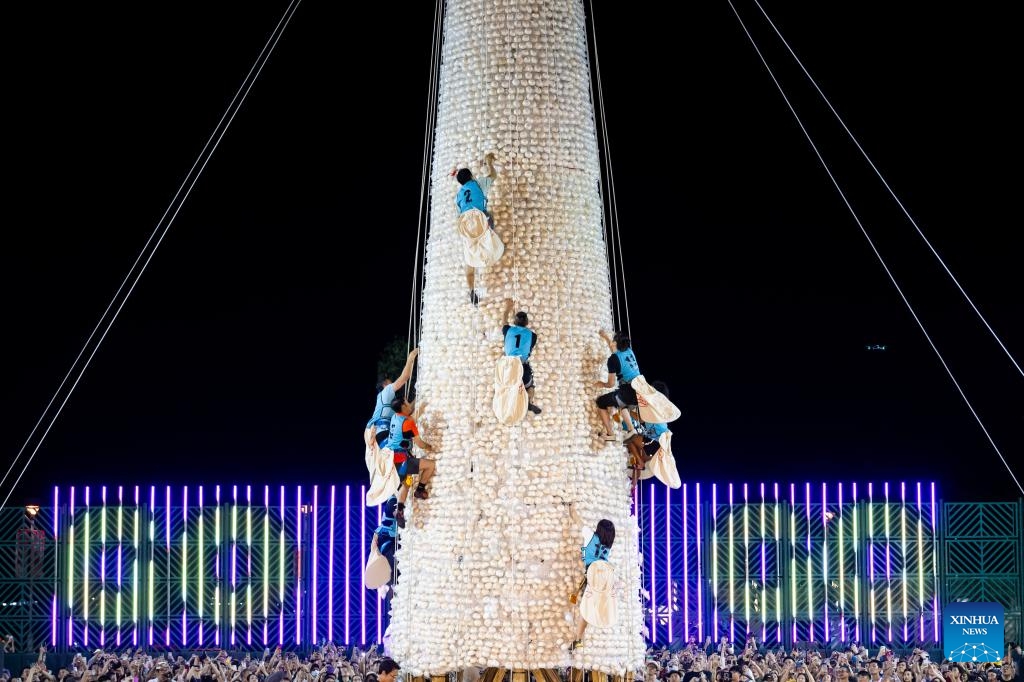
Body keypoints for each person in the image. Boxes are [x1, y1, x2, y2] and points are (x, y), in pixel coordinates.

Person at [452, 154, 498, 306]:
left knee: (469, 259)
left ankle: (471, 289)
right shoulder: (478, 184)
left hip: (465, 225)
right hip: (479, 219)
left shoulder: (458, 195)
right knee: (490, 218)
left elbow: (458, 213)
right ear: (471, 175)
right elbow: (493, 175)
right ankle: (489, 247)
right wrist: (489, 162)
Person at [385, 395, 436, 527]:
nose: (409, 405)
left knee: (406, 483)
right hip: (403, 460)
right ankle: (420, 489)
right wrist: (430, 447)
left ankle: (400, 510)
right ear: (402, 407)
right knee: (431, 465)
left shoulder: (396, 417)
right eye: (407, 404)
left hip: (393, 459)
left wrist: (421, 407)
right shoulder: (408, 423)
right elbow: (419, 443)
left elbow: (410, 418)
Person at [569, 519, 615, 651]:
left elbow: (577, 521)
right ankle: (579, 639)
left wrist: (572, 509)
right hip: (604, 578)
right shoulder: (608, 547)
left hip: (592, 574)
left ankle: (578, 639)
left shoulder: (590, 535)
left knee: (585, 609)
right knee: (590, 608)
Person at [366, 348, 420, 447]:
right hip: (382, 432)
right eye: (390, 381)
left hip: (380, 434)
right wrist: (411, 357)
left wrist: (418, 398)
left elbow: (409, 410)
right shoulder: (386, 391)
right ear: (385, 384)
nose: (392, 383)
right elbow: (404, 378)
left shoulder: (387, 403)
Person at [594, 330, 641, 440]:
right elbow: (614, 351)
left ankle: (610, 434)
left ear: (615, 343)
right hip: (640, 389)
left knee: (600, 402)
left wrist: (601, 384)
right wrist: (605, 337)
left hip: (629, 391)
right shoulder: (629, 351)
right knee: (620, 403)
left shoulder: (613, 359)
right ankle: (631, 429)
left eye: (613, 339)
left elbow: (611, 384)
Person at [502, 299, 541, 414]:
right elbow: (528, 348)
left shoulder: (508, 330)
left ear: (514, 321)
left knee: (508, 387)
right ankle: (529, 400)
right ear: (527, 323)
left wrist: (508, 307)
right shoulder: (533, 335)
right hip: (522, 365)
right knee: (530, 387)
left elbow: (504, 319)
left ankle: (510, 406)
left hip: (508, 365)